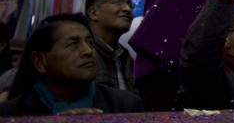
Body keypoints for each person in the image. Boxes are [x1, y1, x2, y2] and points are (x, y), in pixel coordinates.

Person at [0, 14, 141, 116]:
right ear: (39, 61)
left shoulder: (126, 105)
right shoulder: (10, 114)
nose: (88, 51)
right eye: (73, 44)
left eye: (90, 43)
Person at [84, 0, 135, 91]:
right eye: (118, 2)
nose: (128, 9)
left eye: (130, 4)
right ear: (93, 13)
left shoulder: (126, 58)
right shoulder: (83, 54)